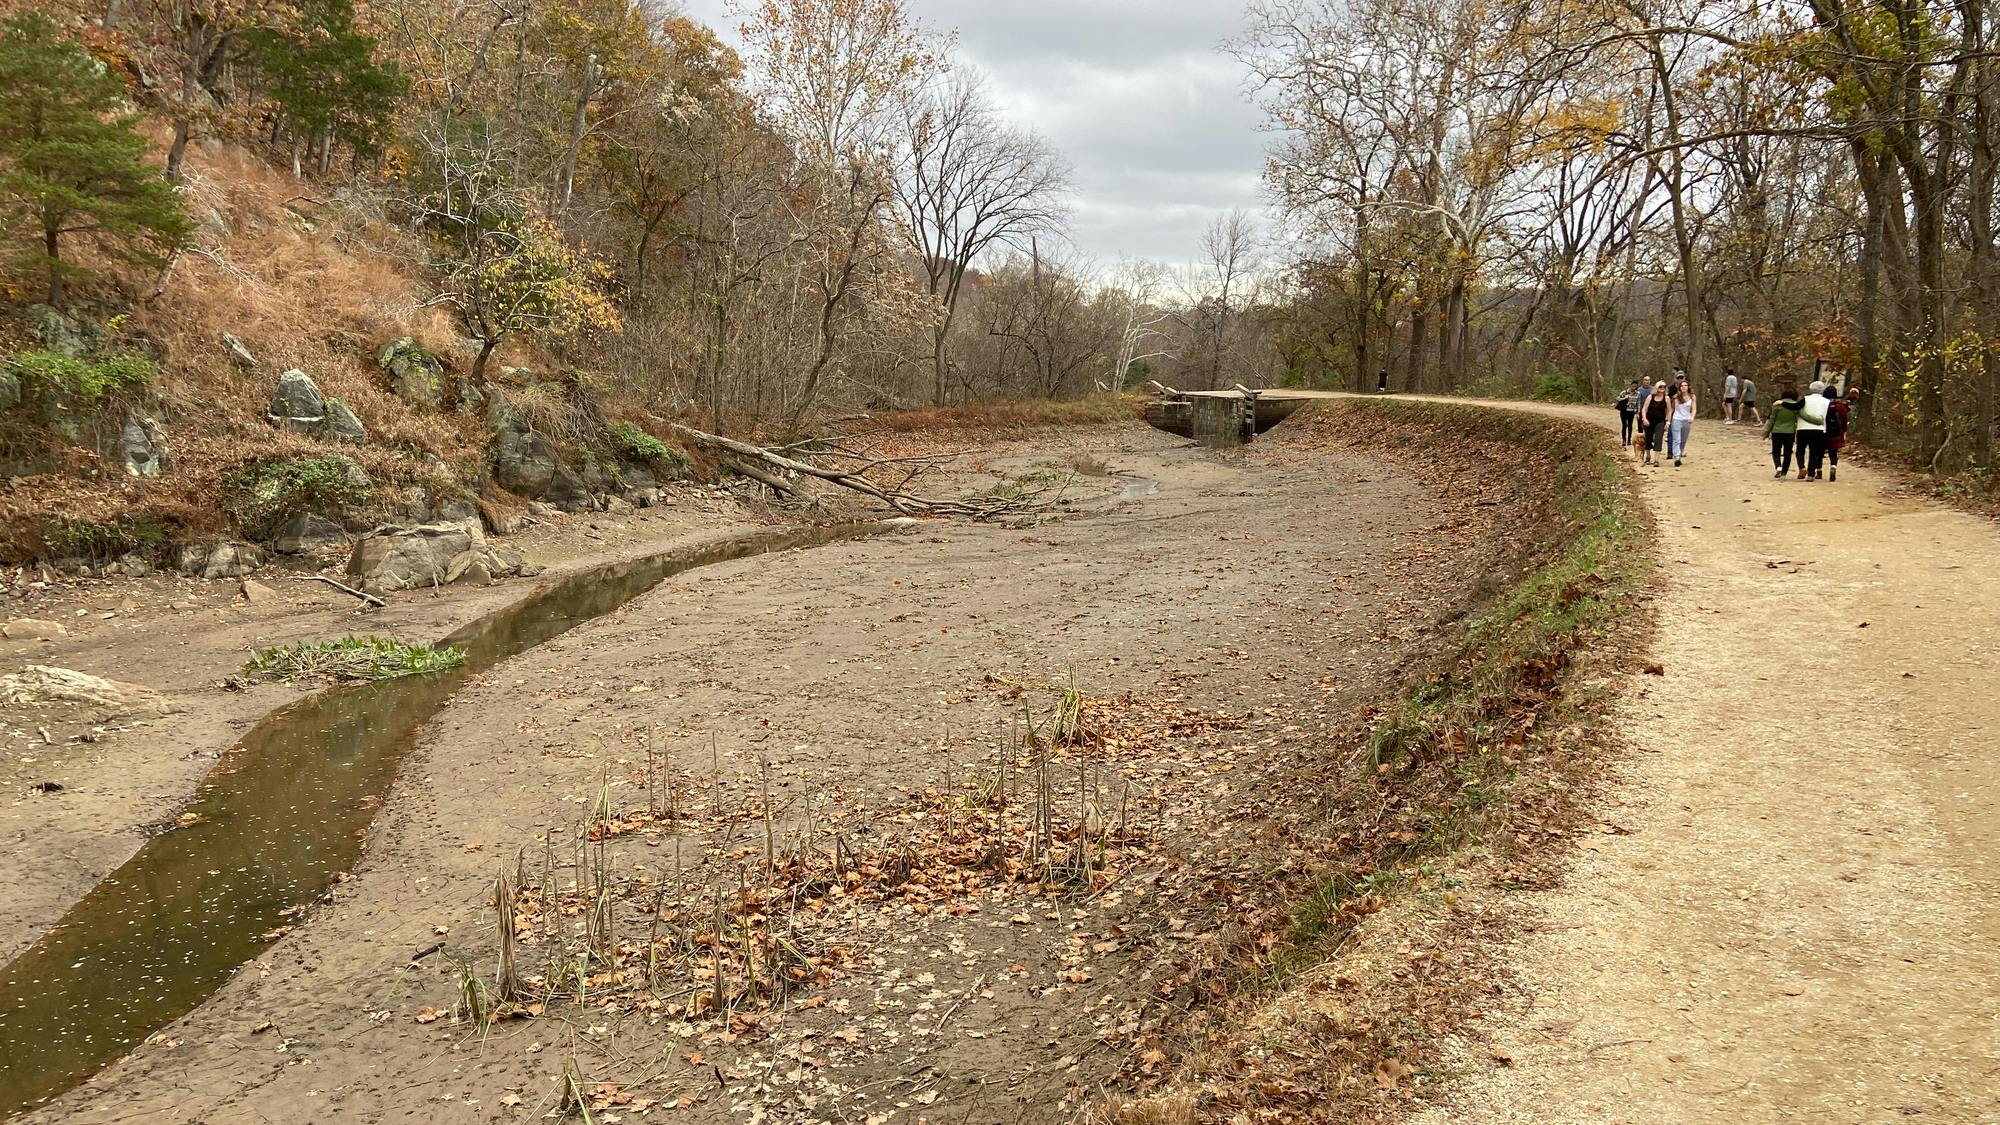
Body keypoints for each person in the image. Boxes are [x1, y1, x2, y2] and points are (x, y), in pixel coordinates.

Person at [1763, 382, 1803, 477]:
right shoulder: (1796, 405)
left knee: (1776, 451)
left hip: (1777, 430)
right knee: (1787, 453)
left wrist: (1766, 433)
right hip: (1790, 431)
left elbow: (1771, 420)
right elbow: (1798, 419)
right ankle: (1784, 473)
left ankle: (1778, 467)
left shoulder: (1777, 405)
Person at [1796, 379, 1832, 480]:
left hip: (1803, 428)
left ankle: (1801, 467)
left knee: (1800, 450)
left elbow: (1796, 408)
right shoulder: (1827, 402)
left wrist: (1782, 403)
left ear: (1811, 388)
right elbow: (1828, 417)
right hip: (1819, 430)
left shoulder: (1805, 399)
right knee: (1814, 452)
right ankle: (1811, 474)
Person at [1825, 383, 1852, 481]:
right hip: (1836, 432)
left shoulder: (1823, 404)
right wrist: (1844, 430)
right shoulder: (1840, 406)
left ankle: (1818, 470)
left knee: (1819, 452)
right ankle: (1833, 466)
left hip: (1825, 431)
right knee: (1833, 452)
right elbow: (1844, 418)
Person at [1641, 379, 1670, 466]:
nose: (1662, 388)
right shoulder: (1650, 397)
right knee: (1648, 438)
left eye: (1664, 387)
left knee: (1658, 439)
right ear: (1656, 388)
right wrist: (1644, 419)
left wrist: (1668, 422)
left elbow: (1669, 411)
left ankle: (1656, 460)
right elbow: (1644, 409)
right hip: (1649, 421)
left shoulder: (1666, 398)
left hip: (1660, 421)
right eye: (1660, 387)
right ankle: (1648, 456)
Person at [1669, 378, 1696, 466]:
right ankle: (1677, 457)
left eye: (1685, 386)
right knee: (1677, 439)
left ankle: (1680, 453)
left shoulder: (1692, 396)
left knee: (1683, 440)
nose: (1684, 387)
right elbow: (1671, 409)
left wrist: (1692, 417)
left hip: (1686, 419)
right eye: (1682, 386)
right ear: (1679, 388)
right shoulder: (1676, 397)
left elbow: (1694, 409)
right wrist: (1668, 420)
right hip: (1677, 419)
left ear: (1688, 387)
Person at [1615, 380, 1642, 446]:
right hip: (1624, 410)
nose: (1634, 388)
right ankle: (1624, 440)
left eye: (1635, 386)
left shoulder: (1638, 393)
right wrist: (1625, 398)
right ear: (1630, 385)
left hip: (1631, 411)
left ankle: (1629, 440)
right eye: (1633, 386)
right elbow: (1617, 399)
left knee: (1630, 425)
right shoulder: (1624, 392)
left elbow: (1638, 403)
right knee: (1624, 425)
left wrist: (1638, 412)